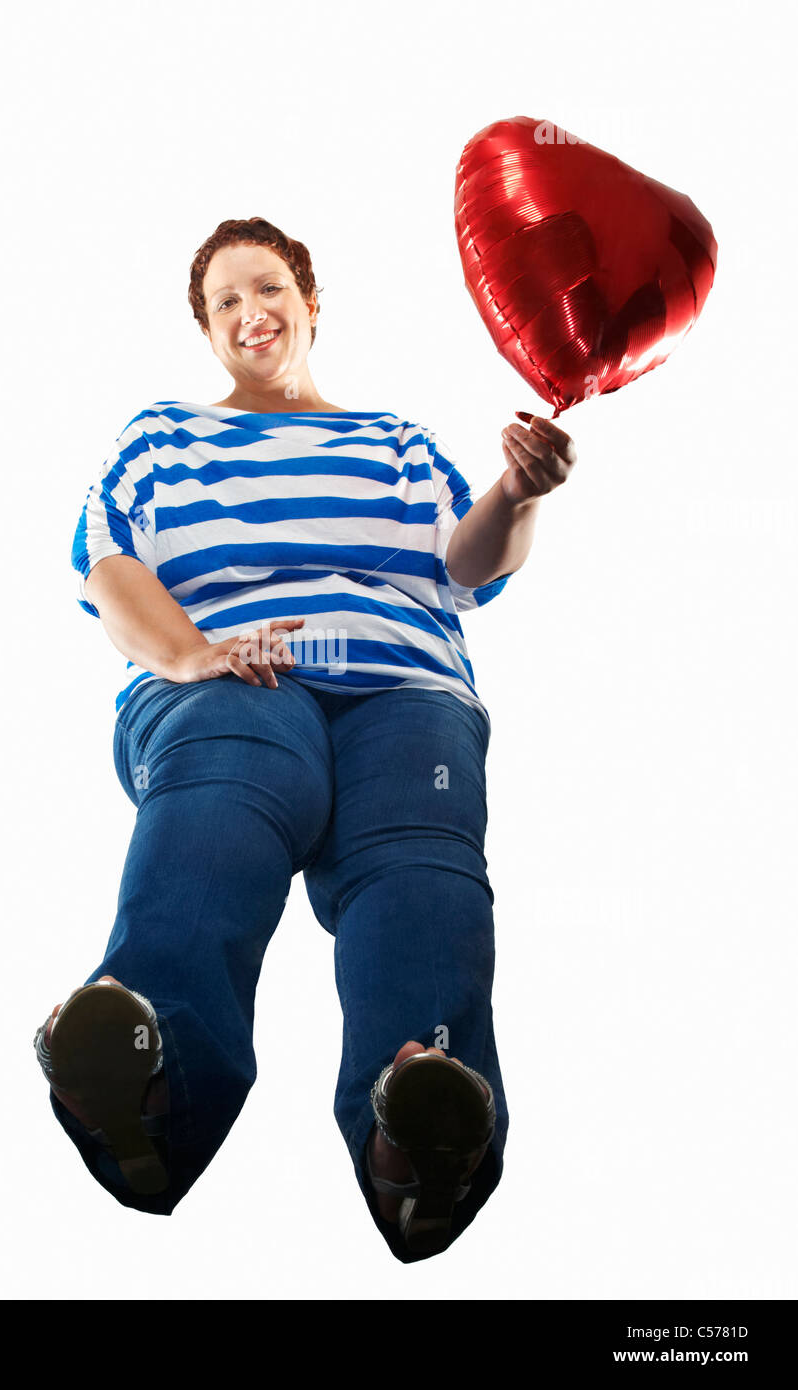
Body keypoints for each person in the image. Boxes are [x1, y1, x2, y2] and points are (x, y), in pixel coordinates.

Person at [34, 217, 577, 1262]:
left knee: (415, 864)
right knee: (229, 786)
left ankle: (419, 1117)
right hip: (237, 673)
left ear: (310, 303)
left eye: (268, 286)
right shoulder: (160, 436)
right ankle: (147, 1065)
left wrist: (515, 491)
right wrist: (189, 655)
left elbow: (465, 568)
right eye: (225, 300)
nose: (251, 311)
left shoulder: (392, 440)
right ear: (205, 329)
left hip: (404, 686)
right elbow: (105, 560)